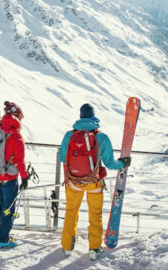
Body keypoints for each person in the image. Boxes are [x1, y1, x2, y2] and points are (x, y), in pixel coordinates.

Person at [57, 103, 131, 260]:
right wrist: (123, 163)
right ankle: (94, 249)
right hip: (94, 183)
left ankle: (67, 246)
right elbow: (111, 163)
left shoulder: (69, 135)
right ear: (94, 117)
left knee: (71, 212)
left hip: (73, 182)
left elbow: (62, 158)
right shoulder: (101, 137)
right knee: (95, 215)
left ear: (80, 116)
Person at [0, 101, 29, 249]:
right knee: (8, 209)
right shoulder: (16, 137)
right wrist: (24, 177)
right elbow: (20, 161)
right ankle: (3, 239)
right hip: (9, 179)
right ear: (17, 117)